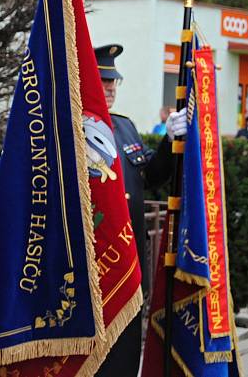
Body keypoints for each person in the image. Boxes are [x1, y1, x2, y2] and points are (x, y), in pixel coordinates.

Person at [93, 44, 186, 377]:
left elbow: (151, 174)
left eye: (114, 82)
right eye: (103, 81)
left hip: (129, 255)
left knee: (127, 348)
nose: (110, 88)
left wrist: (170, 143)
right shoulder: (73, 130)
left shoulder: (124, 126)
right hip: (96, 263)